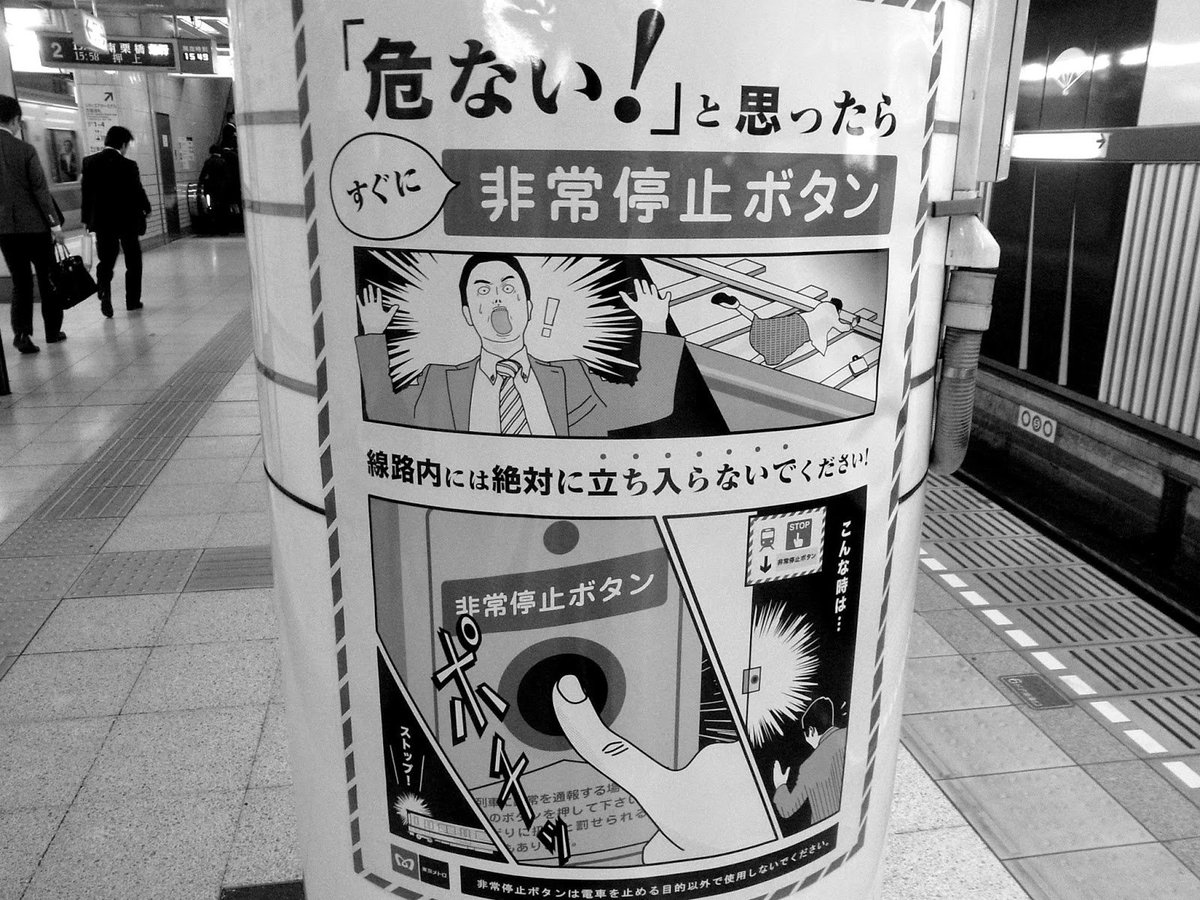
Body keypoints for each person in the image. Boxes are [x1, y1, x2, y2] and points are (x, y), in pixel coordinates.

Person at [355, 253, 685, 436]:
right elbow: (384, 411)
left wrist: (655, 323)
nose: (497, 296)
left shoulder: (572, 377)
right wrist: (372, 334)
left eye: (508, 287)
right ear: (468, 314)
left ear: (528, 308)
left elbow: (650, 405)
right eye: (483, 290)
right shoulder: (439, 381)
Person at [0, 95, 68, 354]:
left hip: (6, 231)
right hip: (36, 229)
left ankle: (22, 334)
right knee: (48, 278)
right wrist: (55, 227)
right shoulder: (25, 150)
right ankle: (52, 331)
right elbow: (40, 191)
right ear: (15, 120)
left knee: (21, 282)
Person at [81, 125, 151, 317]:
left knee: (106, 260)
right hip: (127, 221)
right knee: (133, 261)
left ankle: (104, 289)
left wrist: (86, 220)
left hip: (102, 222)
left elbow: (86, 194)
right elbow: (137, 191)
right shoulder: (129, 165)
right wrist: (147, 208)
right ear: (123, 144)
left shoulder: (89, 162)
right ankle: (132, 301)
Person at [770, 697, 847, 825]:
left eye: (804, 732)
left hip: (826, 828)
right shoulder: (848, 735)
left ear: (811, 730)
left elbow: (787, 809)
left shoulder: (810, 766)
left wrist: (780, 785)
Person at [198, 144, 231, 234]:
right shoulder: (223, 161)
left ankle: (213, 228)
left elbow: (202, 176)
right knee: (223, 208)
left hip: (210, 188)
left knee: (211, 207)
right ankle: (224, 229)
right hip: (222, 189)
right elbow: (227, 176)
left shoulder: (208, 162)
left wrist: (201, 185)